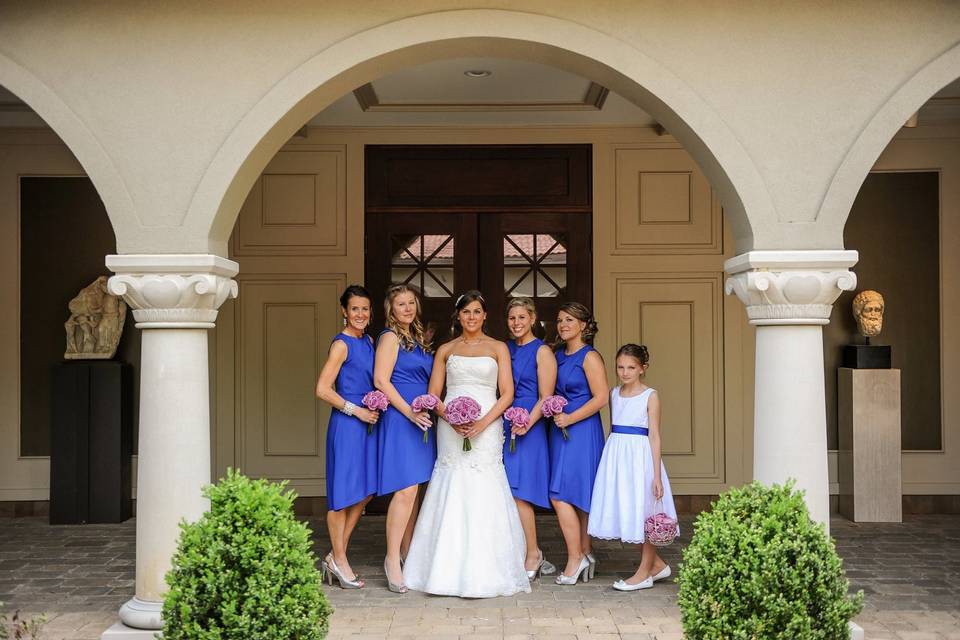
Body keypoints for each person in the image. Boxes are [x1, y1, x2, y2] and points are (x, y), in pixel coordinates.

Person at [403, 290, 531, 597]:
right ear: (458, 317)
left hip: (487, 424)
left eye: (476, 311)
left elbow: (508, 393)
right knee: (452, 483)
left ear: (485, 315)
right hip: (450, 427)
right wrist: (451, 417)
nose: (471, 317)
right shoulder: (446, 350)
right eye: (465, 312)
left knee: (484, 484)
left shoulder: (498, 347)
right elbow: (434, 394)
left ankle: (488, 569)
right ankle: (441, 569)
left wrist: (483, 422)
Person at [588, 344, 678, 590]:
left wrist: (656, 474)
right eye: (620, 367)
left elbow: (655, 435)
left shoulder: (651, 395)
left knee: (645, 512)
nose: (625, 372)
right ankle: (658, 565)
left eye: (631, 367)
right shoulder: (614, 394)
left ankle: (643, 573)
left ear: (642, 368)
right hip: (617, 455)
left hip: (641, 458)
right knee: (629, 511)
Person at [314, 285, 380, 588]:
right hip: (348, 424)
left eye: (365, 309)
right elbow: (323, 389)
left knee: (366, 490)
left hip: (369, 424)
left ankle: (335, 555)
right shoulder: (341, 344)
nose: (361, 314)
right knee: (341, 495)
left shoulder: (368, 341)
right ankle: (340, 559)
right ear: (344, 311)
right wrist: (357, 411)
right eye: (355, 309)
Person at [374, 284, 435, 593]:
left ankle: (407, 553)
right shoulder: (390, 338)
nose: (408, 308)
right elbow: (381, 380)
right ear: (392, 309)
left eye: (411, 303)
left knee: (416, 491)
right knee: (406, 490)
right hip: (402, 419)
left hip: (422, 420)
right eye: (401, 304)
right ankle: (391, 559)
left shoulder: (418, 339)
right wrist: (409, 412)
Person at [550, 302, 608, 585]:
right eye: (560, 320)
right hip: (559, 429)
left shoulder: (590, 357)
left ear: (584, 325)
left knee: (567, 493)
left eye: (569, 320)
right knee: (567, 492)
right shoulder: (557, 355)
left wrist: (570, 418)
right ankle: (585, 551)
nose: (563, 325)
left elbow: (601, 398)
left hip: (581, 429)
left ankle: (577, 556)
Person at [504, 298, 557, 579]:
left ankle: (533, 552)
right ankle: (514, 551)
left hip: (529, 425)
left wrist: (527, 423)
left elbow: (545, 396)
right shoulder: (505, 348)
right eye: (512, 318)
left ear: (533, 318)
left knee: (521, 493)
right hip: (504, 423)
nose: (517, 323)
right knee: (504, 490)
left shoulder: (542, 352)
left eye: (522, 317)